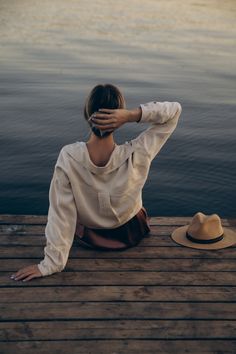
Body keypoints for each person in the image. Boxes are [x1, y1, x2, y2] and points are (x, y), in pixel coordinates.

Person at [10, 83, 182, 281]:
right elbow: (174, 111)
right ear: (119, 119)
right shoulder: (138, 152)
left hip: (91, 238)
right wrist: (132, 115)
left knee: (69, 209)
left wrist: (51, 264)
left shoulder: (69, 157)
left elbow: (61, 214)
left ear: (86, 113)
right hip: (131, 234)